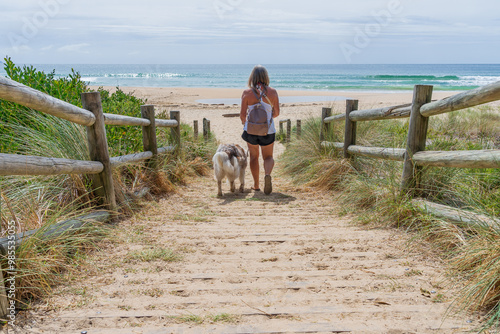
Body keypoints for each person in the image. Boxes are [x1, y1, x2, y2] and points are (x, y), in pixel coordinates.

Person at [240, 65, 280, 195]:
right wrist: (267, 118)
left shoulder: (247, 93)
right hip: (267, 130)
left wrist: (244, 123)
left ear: (252, 77)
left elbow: (242, 114)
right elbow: (277, 113)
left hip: (251, 130)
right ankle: (267, 174)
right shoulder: (273, 92)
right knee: (268, 157)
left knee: (253, 157)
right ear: (266, 77)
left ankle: (256, 185)